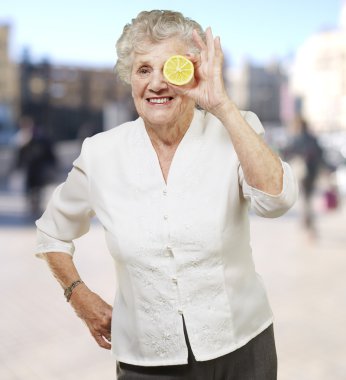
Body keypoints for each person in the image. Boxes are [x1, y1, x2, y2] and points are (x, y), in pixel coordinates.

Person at [35, 10, 298, 379]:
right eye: (143, 70)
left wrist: (222, 105)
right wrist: (79, 297)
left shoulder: (235, 130)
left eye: (171, 67)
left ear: (193, 72)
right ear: (130, 79)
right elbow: (51, 233)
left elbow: (277, 202)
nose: (156, 83)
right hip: (146, 362)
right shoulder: (101, 154)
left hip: (242, 349)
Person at [288, 116, 324, 232]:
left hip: (302, 173)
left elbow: (289, 152)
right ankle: (308, 221)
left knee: (305, 198)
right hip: (312, 173)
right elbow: (321, 154)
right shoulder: (313, 138)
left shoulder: (297, 138)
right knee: (308, 198)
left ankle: (307, 221)